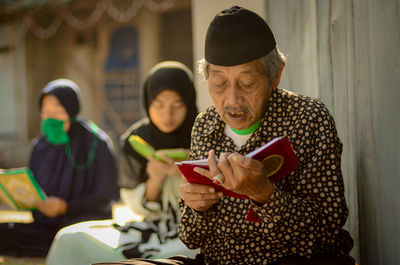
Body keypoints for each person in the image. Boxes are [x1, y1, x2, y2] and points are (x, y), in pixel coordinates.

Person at [92, 6, 355, 265]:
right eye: (218, 84)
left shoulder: (308, 118)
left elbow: (327, 231)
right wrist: (197, 207)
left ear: (276, 75)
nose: (232, 100)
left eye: (248, 83)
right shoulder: (205, 125)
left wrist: (265, 194)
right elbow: (190, 237)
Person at [45, 61, 199, 265]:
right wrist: (154, 180)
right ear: (147, 102)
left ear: (188, 102)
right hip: (148, 231)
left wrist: (186, 173)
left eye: (177, 105)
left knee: (190, 251)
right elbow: (134, 206)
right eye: (158, 105)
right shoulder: (137, 139)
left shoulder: (205, 133)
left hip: (193, 232)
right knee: (69, 237)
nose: (167, 114)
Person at [0, 79, 120, 257]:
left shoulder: (96, 143)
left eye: (58, 110)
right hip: (46, 227)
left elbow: (104, 199)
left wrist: (66, 207)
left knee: (73, 237)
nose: (51, 117)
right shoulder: (40, 146)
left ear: (72, 109)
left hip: (83, 224)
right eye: (46, 112)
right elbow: (34, 190)